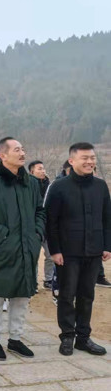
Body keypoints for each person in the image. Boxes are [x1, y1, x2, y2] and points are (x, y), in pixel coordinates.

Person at [0, 137, 46, 361]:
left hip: (27, 249)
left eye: (23, 149)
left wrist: (36, 234)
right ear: (3, 155)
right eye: (16, 150)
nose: (22, 153)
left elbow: (40, 211)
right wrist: (2, 235)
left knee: (22, 297)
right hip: (1, 250)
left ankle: (15, 339)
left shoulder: (31, 183)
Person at [45, 143, 110, 357]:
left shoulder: (101, 186)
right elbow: (51, 222)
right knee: (66, 295)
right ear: (72, 161)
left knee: (87, 295)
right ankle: (67, 337)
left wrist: (107, 245)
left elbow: (107, 219)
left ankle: (83, 338)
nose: (90, 161)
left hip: (93, 251)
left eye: (92, 157)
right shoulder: (59, 186)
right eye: (85, 158)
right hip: (67, 252)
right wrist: (54, 250)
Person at [29, 160, 54, 289]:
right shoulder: (27, 186)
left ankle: (49, 279)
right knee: (33, 255)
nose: (43, 171)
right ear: (31, 171)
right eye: (39, 169)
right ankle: (33, 281)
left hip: (48, 226)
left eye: (43, 168)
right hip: (34, 226)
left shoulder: (50, 186)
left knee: (50, 254)